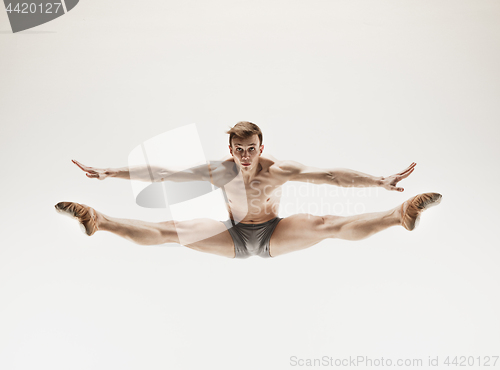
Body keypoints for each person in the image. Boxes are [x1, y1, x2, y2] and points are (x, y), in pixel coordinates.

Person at [55, 121, 442, 258]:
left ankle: (399, 214)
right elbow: (164, 173)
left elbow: (330, 177)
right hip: (233, 235)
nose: (244, 156)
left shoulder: (279, 170)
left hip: (276, 232)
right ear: (230, 149)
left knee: (326, 223)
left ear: (261, 146)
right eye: (238, 150)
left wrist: (378, 181)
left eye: (250, 149)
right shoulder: (218, 170)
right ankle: (97, 219)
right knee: (170, 230)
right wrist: (111, 171)